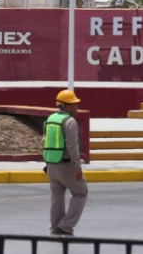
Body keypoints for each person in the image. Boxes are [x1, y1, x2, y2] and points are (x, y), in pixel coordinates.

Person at [43, 89, 87, 237]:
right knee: (81, 193)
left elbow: (43, 141)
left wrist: (47, 163)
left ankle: (55, 229)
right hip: (66, 165)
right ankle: (66, 226)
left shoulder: (50, 119)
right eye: (74, 104)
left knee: (57, 197)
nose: (77, 107)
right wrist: (78, 167)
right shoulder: (69, 121)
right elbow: (72, 147)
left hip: (51, 165)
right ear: (66, 106)